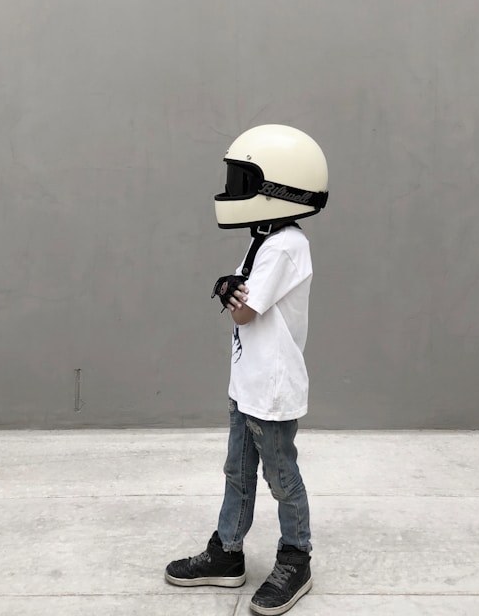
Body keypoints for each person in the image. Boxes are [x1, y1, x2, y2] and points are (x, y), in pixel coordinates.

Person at [165, 123, 329, 615]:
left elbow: (243, 308)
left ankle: (295, 558)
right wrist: (232, 287)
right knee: (237, 473)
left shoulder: (284, 245)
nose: (235, 189)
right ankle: (227, 553)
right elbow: (240, 289)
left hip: (272, 389)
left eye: (245, 179)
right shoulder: (265, 236)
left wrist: (229, 291)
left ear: (277, 186)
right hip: (248, 381)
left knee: (282, 478)